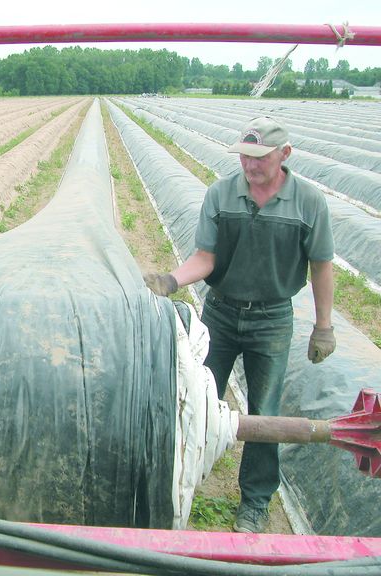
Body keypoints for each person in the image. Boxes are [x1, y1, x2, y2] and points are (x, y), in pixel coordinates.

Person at [144, 116, 336, 533]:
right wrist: (171, 280)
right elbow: (206, 258)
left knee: (264, 411)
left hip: (272, 319)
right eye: (244, 157)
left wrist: (324, 326)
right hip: (222, 312)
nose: (249, 166)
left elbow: (322, 265)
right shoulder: (221, 193)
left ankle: (254, 502)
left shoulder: (308, 202)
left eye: (259, 158)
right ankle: (183, 478)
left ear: (284, 154)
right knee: (194, 397)